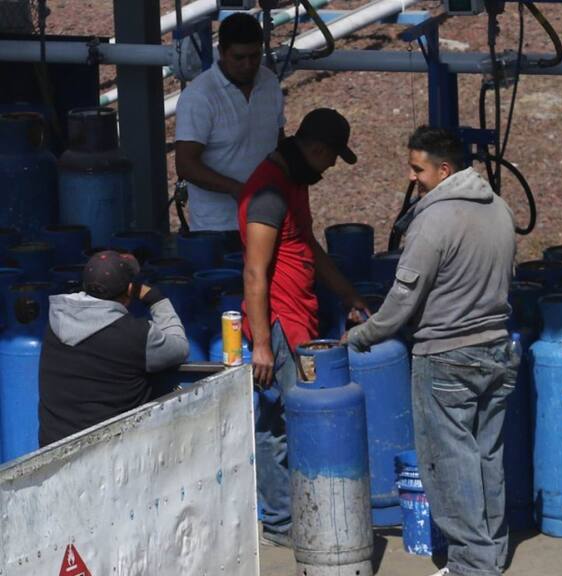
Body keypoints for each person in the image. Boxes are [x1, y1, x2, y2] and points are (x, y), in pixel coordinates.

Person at [346, 126, 518, 576]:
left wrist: (362, 336)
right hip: (498, 349)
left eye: (418, 168)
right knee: (486, 457)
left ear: (444, 170)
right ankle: (491, 555)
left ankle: (471, 566)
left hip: (446, 357)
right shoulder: (499, 209)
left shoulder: (434, 220)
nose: (412, 176)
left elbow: (404, 299)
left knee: (450, 464)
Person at [238, 108, 367, 547]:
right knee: (279, 426)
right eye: (331, 157)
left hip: (299, 324)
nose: (331, 166)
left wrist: (348, 295)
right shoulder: (269, 193)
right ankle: (279, 524)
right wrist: (261, 345)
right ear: (315, 149)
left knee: (296, 423)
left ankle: (295, 515)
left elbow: (309, 246)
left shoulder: (294, 183)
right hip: (277, 326)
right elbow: (255, 274)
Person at [38, 250, 189, 446]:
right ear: (128, 292)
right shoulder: (136, 335)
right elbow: (180, 347)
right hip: (108, 453)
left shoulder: (55, 323)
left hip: (52, 448)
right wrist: (156, 299)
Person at [175, 12, 285, 246]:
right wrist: (237, 190)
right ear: (222, 52)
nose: (249, 65)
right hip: (216, 229)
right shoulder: (199, 97)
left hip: (265, 220)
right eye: (239, 57)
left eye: (255, 56)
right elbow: (186, 165)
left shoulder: (269, 82)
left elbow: (277, 140)